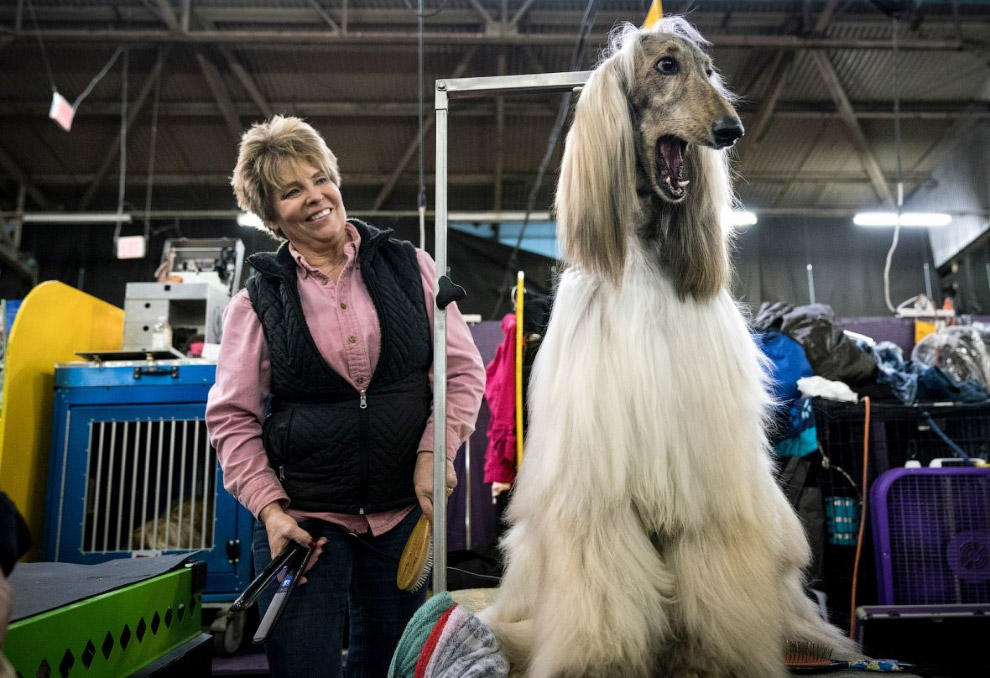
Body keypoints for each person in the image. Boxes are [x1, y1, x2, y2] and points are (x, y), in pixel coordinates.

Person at [206, 115, 485, 677]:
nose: (314, 198)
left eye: (318, 179)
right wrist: (270, 509)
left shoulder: (411, 267)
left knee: (393, 666)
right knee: (305, 666)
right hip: (306, 525)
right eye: (291, 191)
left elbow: (459, 371)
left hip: (402, 516)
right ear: (271, 215)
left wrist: (436, 452)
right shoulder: (257, 300)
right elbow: (232, 418)